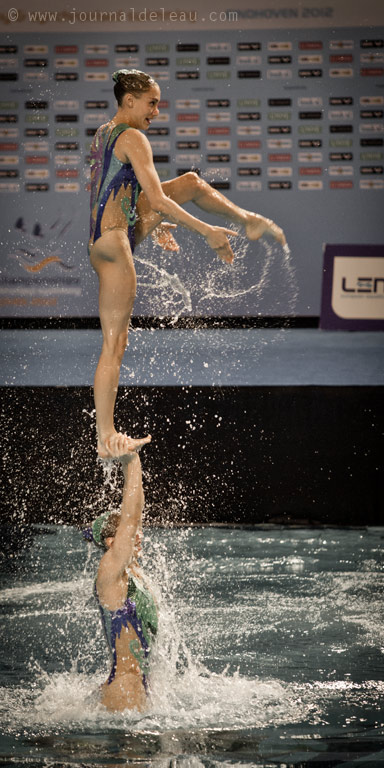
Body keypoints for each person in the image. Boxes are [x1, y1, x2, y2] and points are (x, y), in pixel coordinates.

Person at [88, 68, 286, 459]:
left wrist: (150, 222)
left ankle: (248, 221)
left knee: (192, 182)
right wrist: (206, 231)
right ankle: (104, 435)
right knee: (115, 344)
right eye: (152, 103)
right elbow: (158, 199)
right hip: (115, 244)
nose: (156, 111)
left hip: (108, 234)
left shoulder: (103, 132)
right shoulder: (134, 137)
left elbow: (114, 190)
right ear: (129, 101)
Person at [83, 444, 157, 712]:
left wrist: (133, 464)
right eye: (128, 533)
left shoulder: (131, 575)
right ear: (112, 541)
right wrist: (131, 462)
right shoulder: (109, 570)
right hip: (124, 688)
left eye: (136, 531)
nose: (137, 535)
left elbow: (135, 513)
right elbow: (130, 517)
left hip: (137, 686)